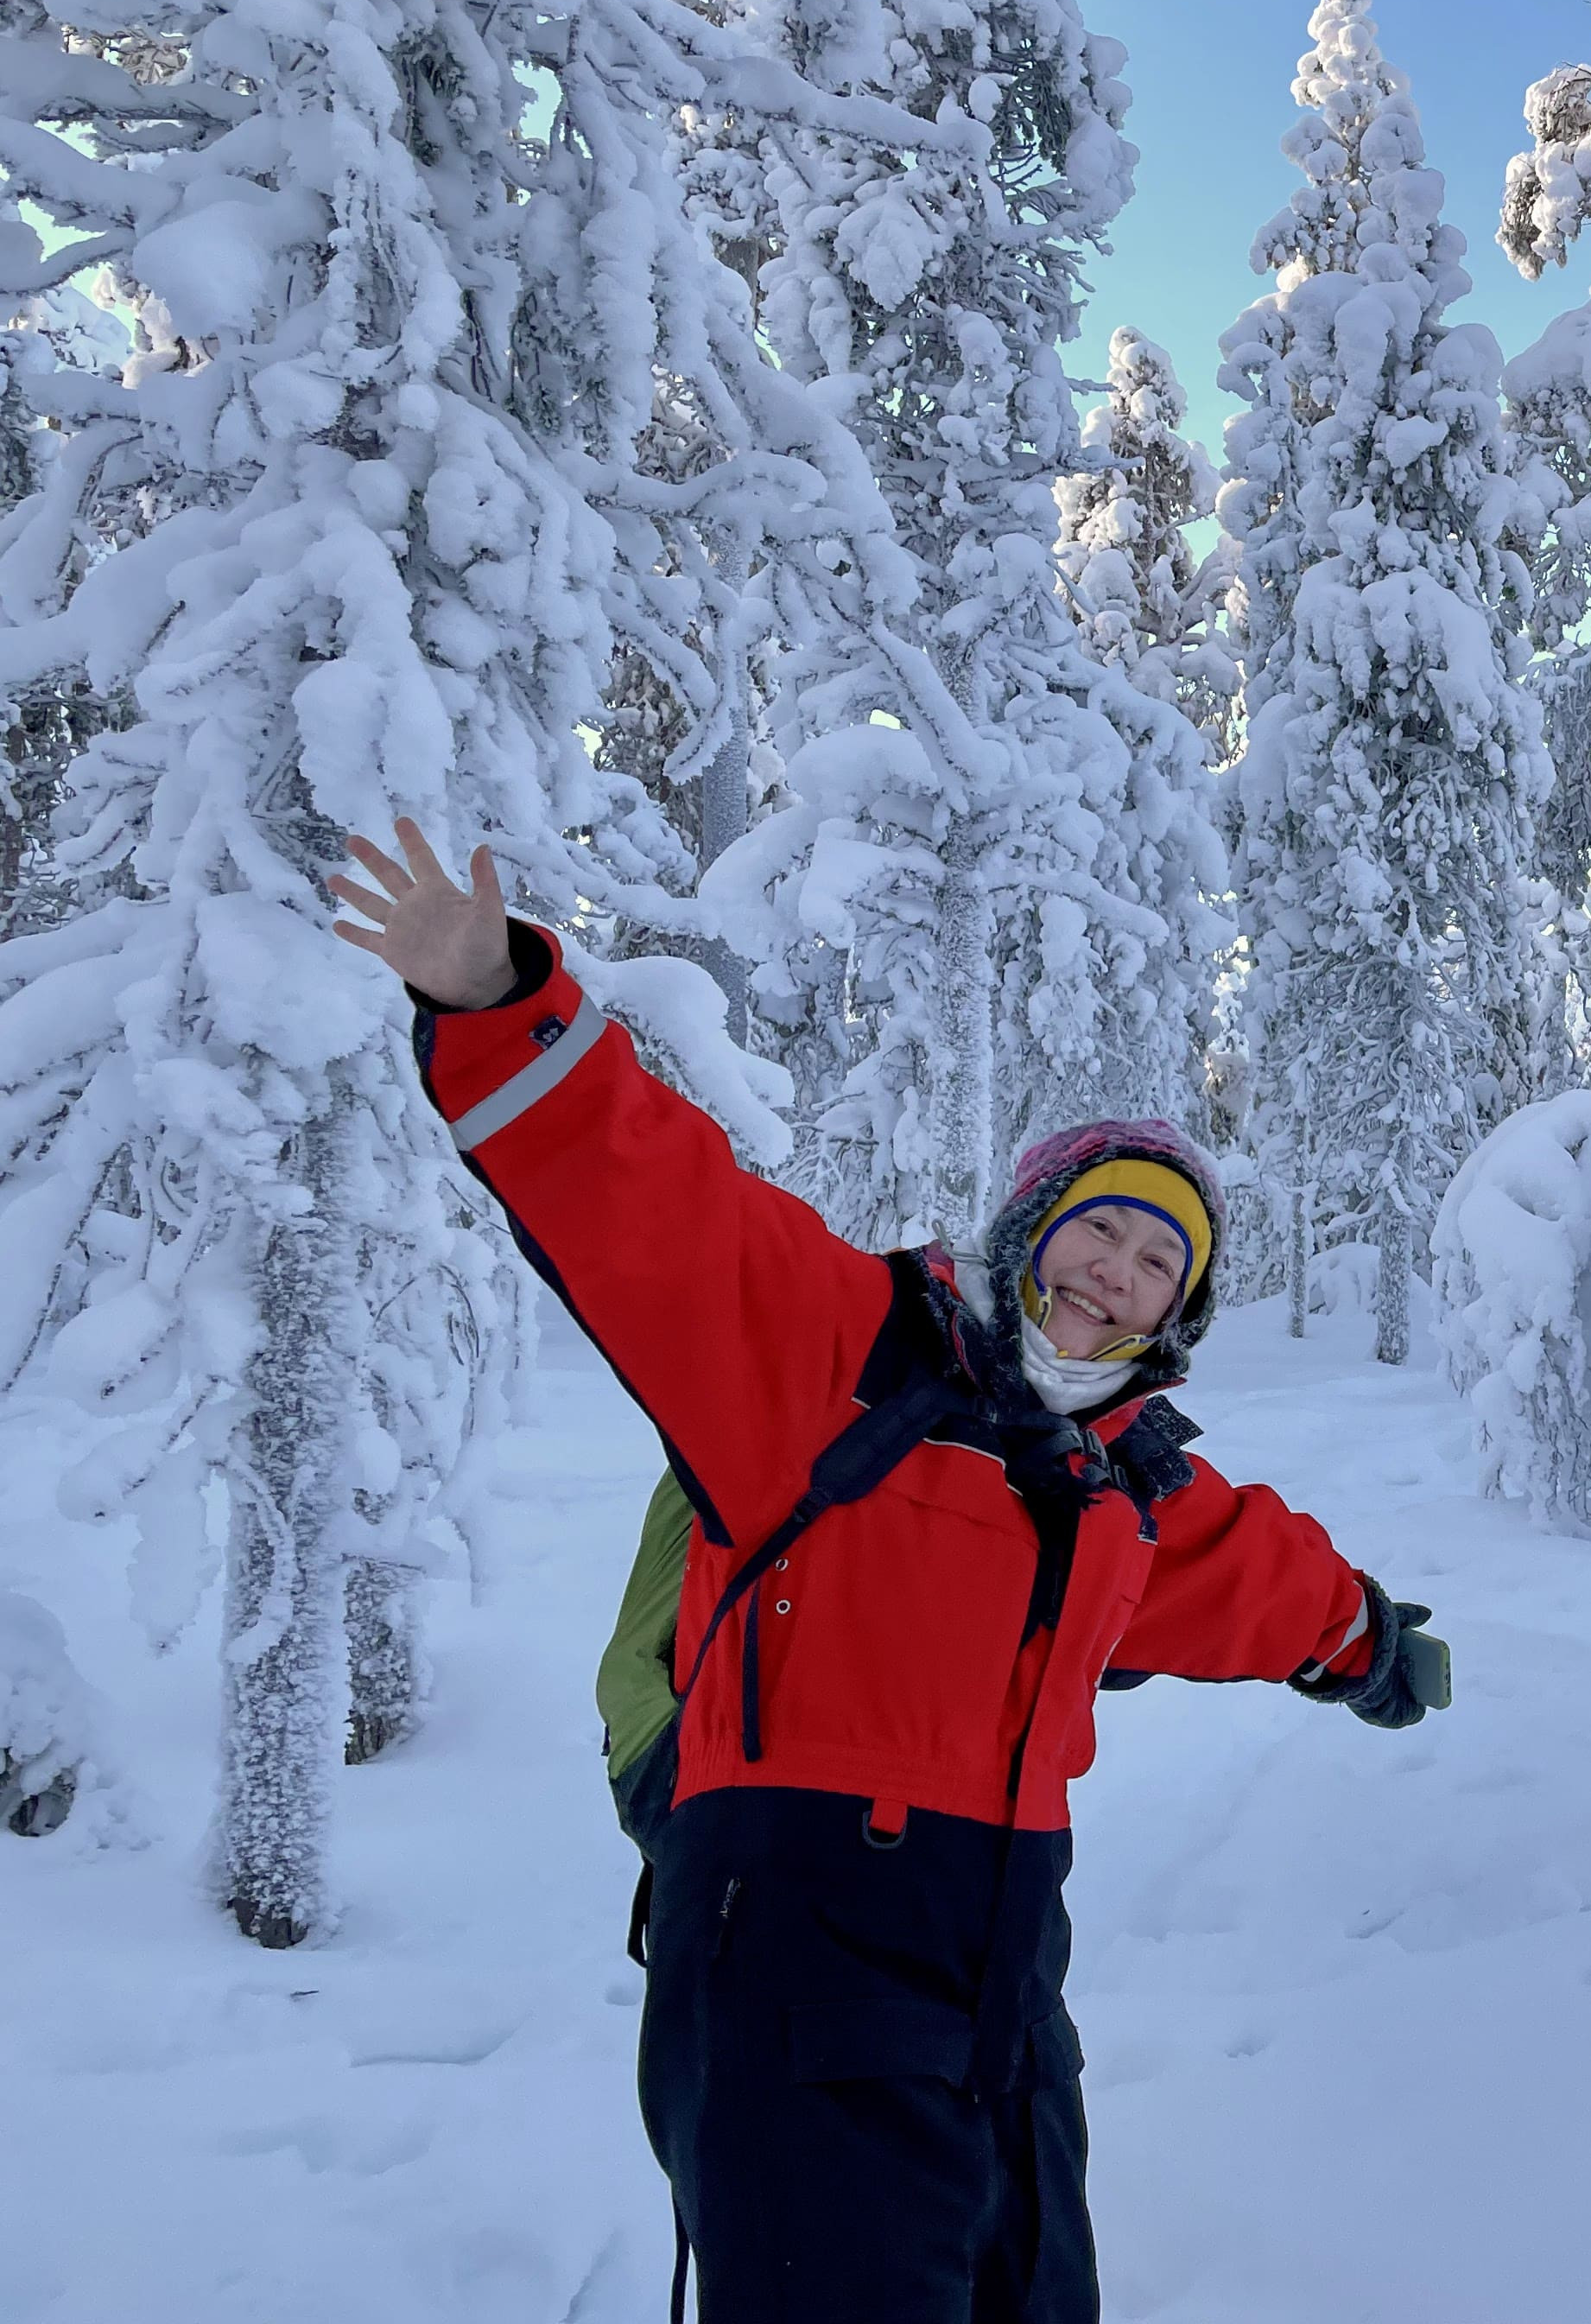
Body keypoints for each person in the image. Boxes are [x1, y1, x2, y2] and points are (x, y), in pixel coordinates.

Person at [332, 819, 1448, 2322]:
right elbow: (664, 1210)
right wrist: (496, 1005)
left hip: (1004, 1965)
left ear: (1173, 1317)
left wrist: (1364, 1644)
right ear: (1031, 1230)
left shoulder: (1119, 1486)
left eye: (1156, 1264)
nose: (1116, 1271)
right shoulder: (845, 1354)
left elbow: (1248, 1577)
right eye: (1098, 1228)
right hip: (797, 1932)